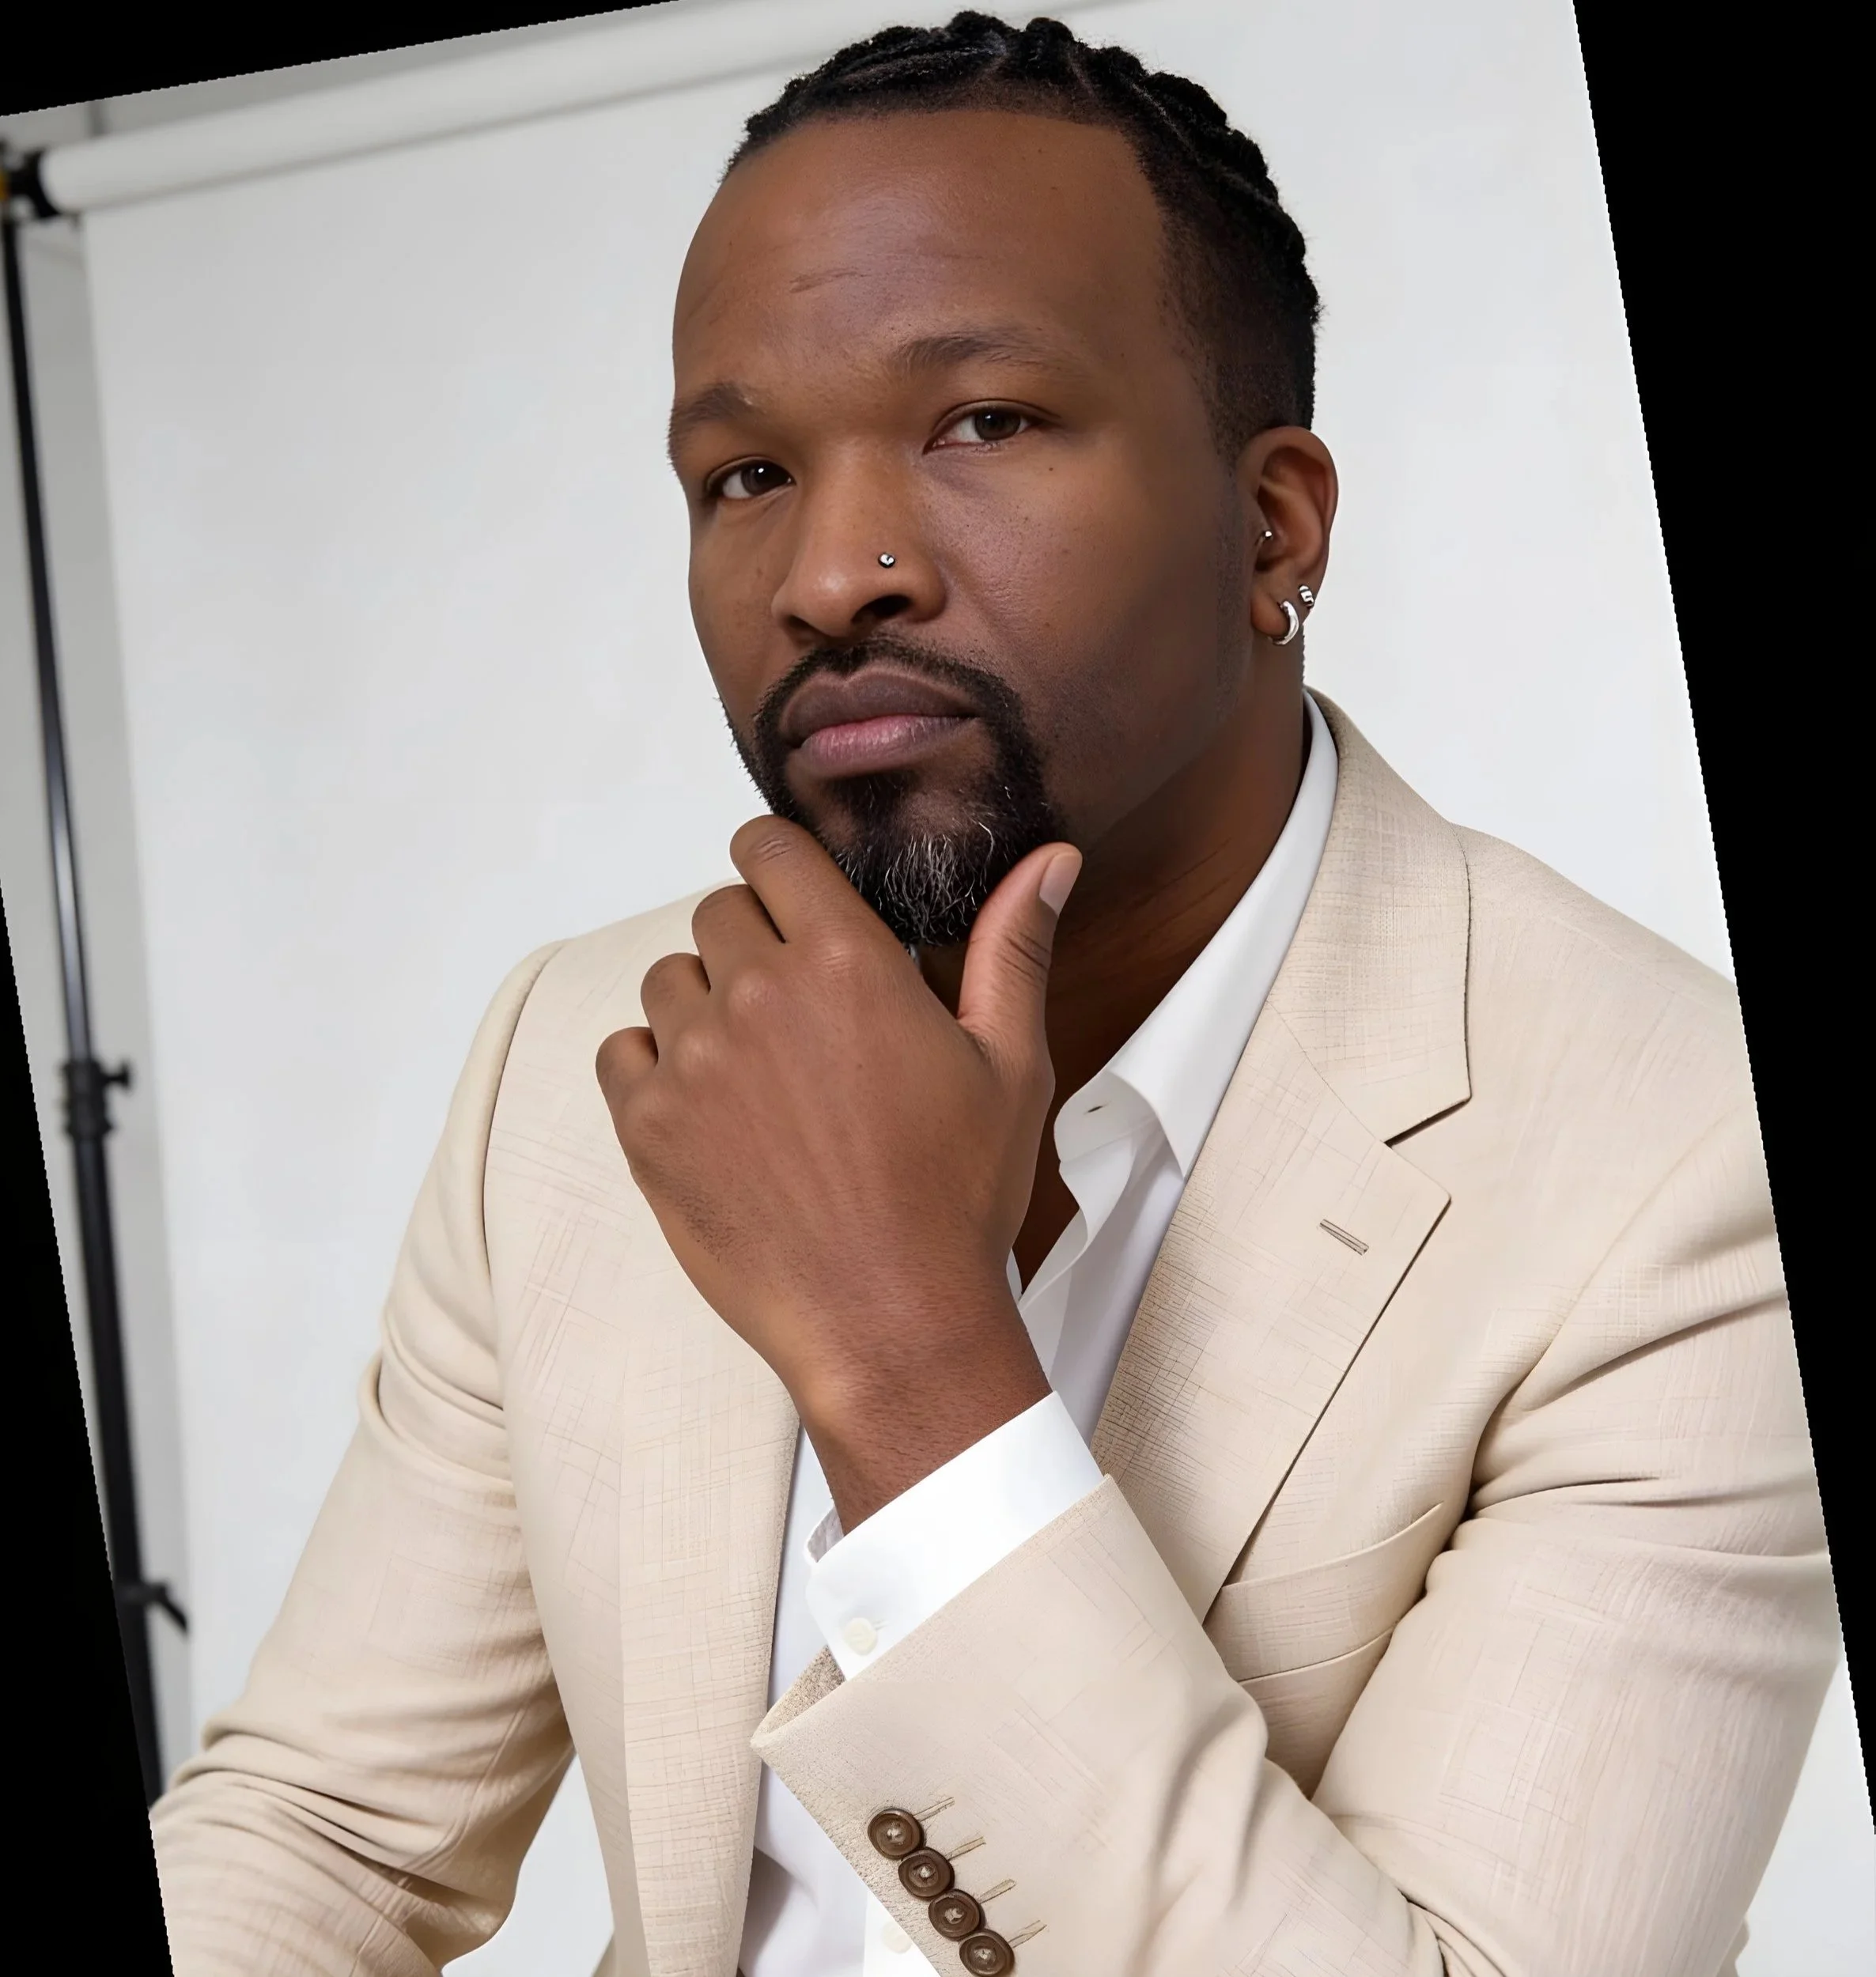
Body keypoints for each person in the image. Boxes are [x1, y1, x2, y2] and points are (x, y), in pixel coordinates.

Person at [148, 16, 1833, 1977]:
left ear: (1272, 524)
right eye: (745, 470)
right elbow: (328, 1833)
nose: (830, 574)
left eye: (980, 423)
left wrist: (909, 1361)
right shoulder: (585, 1051)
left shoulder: (1673, 1163)